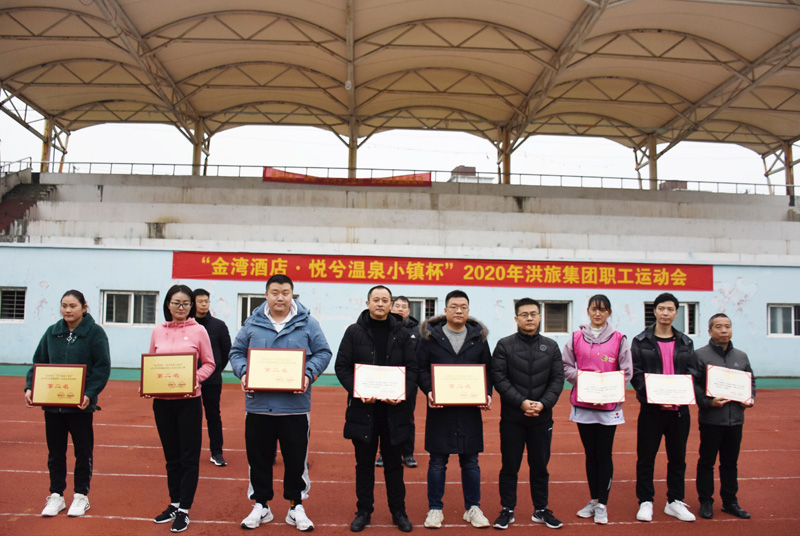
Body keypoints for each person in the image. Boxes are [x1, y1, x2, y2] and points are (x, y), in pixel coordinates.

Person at [229, 274, 332, 532]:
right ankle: (261, 505)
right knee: (258, 459)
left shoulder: (308, 323)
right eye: (275, 293)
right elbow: (236, 352)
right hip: (258, 406)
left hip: (294, 407)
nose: (280, 298)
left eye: (285, 293)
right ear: (266, 295)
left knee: (296, 460)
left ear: (292, 295)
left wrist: (308, 375)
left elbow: (323, 352)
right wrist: (244, 372)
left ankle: (296, 506)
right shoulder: (252, 323)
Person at [335, 285, 417, 533]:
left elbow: (412, 369)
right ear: (367, 303)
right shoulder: (354, 332)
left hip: (394, 412)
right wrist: (358, 391)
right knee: (364, 465)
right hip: (364, 411)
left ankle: (398, 512)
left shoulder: (403, 334)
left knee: (394, 466)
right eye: (376, 300)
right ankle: (364, 511)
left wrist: (401, 394)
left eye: (385, 300)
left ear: (391, 304)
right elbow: (342, 367)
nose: (380, 304)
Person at [24, 290, 111, 518]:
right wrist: (30, 386)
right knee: (55, 453)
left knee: (83, 452)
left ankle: (81, 495)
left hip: (80, 407)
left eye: (73, 306)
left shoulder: (95, 333)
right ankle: (57, 495)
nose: (68, 310)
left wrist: (90, 394)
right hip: (53, 406)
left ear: (84, 307)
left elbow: (102, 368)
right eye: (64, 305)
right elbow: (39, 362)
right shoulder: (52, 332)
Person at [417, 290, 493, 529]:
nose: (459, 311)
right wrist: (429, 390)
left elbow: (488, 369)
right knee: (437, 462)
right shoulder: (431, 337)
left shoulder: (478, 338)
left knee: (470, 461)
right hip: (440, 409)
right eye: (454, 306)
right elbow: (421, 368)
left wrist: (487, 394)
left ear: (468, 310)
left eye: (463, 307)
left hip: (469, 410)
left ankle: (473, 508)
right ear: (445, 310)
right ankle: (435, 509)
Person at [490, 298, 564, 530]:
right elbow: (499, 378)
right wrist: (521, 402)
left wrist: (543, 404)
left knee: (540, 466)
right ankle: (507, 509)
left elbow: (557, 379)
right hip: (513, 419)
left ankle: (541, 509)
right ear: (516, 318)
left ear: (540, 317)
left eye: (533, 314)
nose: (529, 318)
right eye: (524, 314)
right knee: (509, 466)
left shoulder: (551, 346)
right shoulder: (504, 345)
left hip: (542, 418)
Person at [148, 285, 215, 533]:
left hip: (189, 401)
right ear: (168, 304)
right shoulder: (158, 331)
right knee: (171, 457)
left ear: (192, 306)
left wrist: (195, 378)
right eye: (176, 303)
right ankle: (174, 503)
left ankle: (184, 509)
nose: (181, 307)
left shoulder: (199, 331)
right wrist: (147, 382)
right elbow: (151, 363)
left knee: (189, 457)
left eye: (186, 303)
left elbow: (209, 363)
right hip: (162, 403)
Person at [562, 294, 633, 525]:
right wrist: (584, 379)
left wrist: (608, 389)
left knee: (604, 454)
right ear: (588, 311)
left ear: (609, 312)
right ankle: (593, 500)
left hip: (608, 406)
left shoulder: (619, 338)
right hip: (583, 404)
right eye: (594, 309)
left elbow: (627, 371)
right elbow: (565, 366)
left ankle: (603, 503)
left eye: (603, 309)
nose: (598, 313)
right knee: (590, 454)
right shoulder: (576, 337)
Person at [631, 292, 698, 523]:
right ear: (655, 311)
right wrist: (654, 396)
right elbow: (636, 374)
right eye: (661, 309)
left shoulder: (686, 342)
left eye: (670, 309)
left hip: (679, 411)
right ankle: (645, 501)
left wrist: (679, 395)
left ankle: (675, 501)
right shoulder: (641, 341)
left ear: (676, 313)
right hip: (651, 410)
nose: (665, 313)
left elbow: (692, 372)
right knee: (646, 457)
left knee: (678, 458)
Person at [693, 313, 755, 520]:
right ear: (710, 331)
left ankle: (730, 502)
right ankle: (706, 501)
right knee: (707, 462)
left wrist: (750, 399)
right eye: (718, 327)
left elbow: (751, 382)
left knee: (730, 463)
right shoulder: (700, 355)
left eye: (727, 326)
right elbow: (694, 385)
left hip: (735, 420)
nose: (724, 330)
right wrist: (709, 402)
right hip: (711, 420)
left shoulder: (741, 356)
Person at [376, 296, 421, 469]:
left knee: (407, 418)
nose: (400, 309)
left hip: (408, 382)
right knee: (385, 417)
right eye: (397, 306)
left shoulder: (418, 331)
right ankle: (383, 453)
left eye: (404, 306)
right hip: (386, 381)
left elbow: (418, 358)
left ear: (409, 310)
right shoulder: (384, 327)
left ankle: (407, 453)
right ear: (391, 308)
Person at [193, 288, 232, 467]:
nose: (203, 304)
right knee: (191, 418)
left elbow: (226, 351)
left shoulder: (219, 326)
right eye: (200, 301)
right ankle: (190, 452)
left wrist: (214, 370)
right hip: (188, 381)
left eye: (206, 301)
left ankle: (217, 452)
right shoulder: (187, 325)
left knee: (213, 416)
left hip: (212, 380)